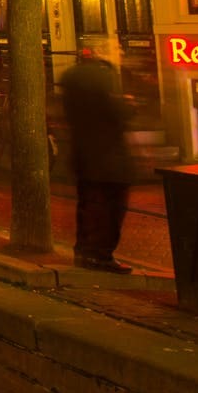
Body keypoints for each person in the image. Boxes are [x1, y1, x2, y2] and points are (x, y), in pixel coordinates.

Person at [59, 50, 135, 273]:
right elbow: (119, 114)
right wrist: (127, 105)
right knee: (110, 209)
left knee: (88, 205)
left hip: (83, 156)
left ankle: (84, 251)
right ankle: (100, 255)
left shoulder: (71, 86)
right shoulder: (102, 87)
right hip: (109, 161)